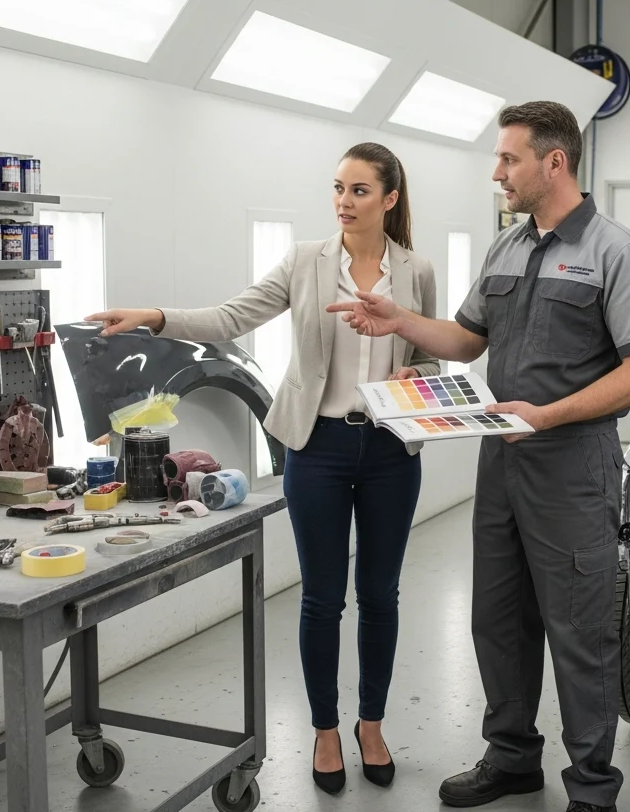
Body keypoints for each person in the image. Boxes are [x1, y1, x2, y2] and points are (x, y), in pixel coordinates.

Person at [327, 102, 630, 812]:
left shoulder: (616, 251)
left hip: (574, 466)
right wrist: (399, 320)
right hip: (501, 461)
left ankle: (593, 790)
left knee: (579, 630)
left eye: (509, 159)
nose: (497, 173)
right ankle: (512, 757)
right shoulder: (506, 249)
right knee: (498, 619)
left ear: (555, 162)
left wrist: (547, 415)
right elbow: (464, 338)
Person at [85, 142, 440, 796]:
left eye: (359, 190)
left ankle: (372, 723)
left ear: (390, 198)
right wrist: (155, 318)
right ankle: (327, 730)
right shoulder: (307, 262)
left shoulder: (416, 271)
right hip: (317, 448)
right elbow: (230, 317)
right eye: (338, 188)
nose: (343, 201)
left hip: (392, 452)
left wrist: (416, 381)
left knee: (380, 596)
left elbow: (429, 360)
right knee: (322, 598)